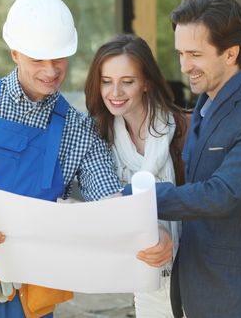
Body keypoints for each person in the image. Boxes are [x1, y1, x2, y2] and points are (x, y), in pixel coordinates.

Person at [0, 0, 172, 318]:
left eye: (59, 58)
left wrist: (152, 232)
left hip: (28, 287)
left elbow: (110, 202)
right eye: (38, 59)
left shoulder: (79, 131)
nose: (51, 71)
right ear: (15, 53)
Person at [155, 0, 241, 318]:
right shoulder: (205, 106)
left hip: (238, 293)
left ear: (231, 54)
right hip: (198, 289)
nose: (185, 66)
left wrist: (143, 198)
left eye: (195, 54)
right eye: (180, 53)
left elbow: (223, 193)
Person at [85, 33, 185, 318]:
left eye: (127, 81)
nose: (115, 92)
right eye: (106, 82)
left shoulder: (183, 129)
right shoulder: (101, 139)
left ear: (146, 83)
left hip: (194, 272)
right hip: (145, 277)